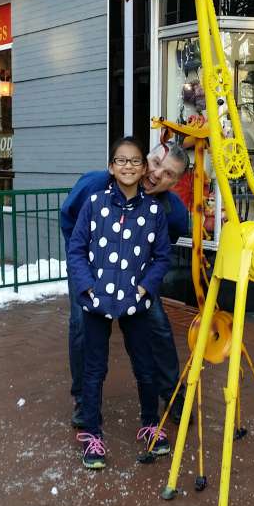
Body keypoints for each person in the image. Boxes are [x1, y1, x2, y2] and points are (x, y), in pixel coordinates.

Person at [61, 140, 190, 430]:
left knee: (157, 326)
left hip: (135, 277)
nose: (158, 174)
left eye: (169, 174)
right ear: (146, 160)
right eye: (157, 164)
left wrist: (147, 280)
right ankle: (83, 400)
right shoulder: (94, 185)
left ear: (175, 183)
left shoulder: (171, 209)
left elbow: (171, 241)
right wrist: (83, 272)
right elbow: (68, 217)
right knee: (82, 326)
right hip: (90, 272)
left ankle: (172, 396)